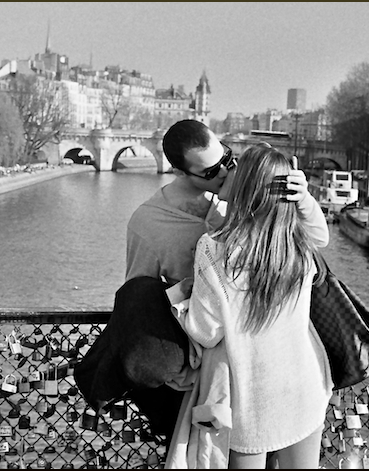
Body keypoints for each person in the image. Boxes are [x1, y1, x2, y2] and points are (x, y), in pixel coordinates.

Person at [124, 120, 322, 447]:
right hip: (205, 372)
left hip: (266, 358)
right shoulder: (147, 223)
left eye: (228, 159)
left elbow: (313, 241)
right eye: (211, 171)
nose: (227, 172)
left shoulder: (242, 195)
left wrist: (303, 200)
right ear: (179, 172)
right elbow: (138, 300)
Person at [182, 143, 333, 469]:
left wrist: (184, 302)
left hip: (252, 400)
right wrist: (304, 198)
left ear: (245, 185)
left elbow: (205, 331)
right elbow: (322, 236)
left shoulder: (215, 249)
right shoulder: (298, 242)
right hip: (304, 387)